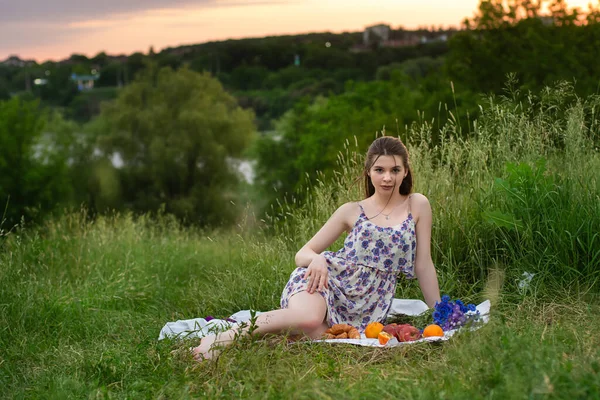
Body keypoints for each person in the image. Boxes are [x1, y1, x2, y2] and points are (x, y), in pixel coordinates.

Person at [192, 136, 441, 360]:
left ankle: (268, 337)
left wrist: (439, 313)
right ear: (368, 172)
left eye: (395, 170)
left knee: (323, 338)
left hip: (367, 304)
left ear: (406, 171)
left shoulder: (417, 205)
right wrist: (318, 259)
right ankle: (224, 337)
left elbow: (423, 264)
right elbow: (302, 253)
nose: (387, 177)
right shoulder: (352, 210)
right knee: (309, 319)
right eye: (379, 170)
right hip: (325, 280)